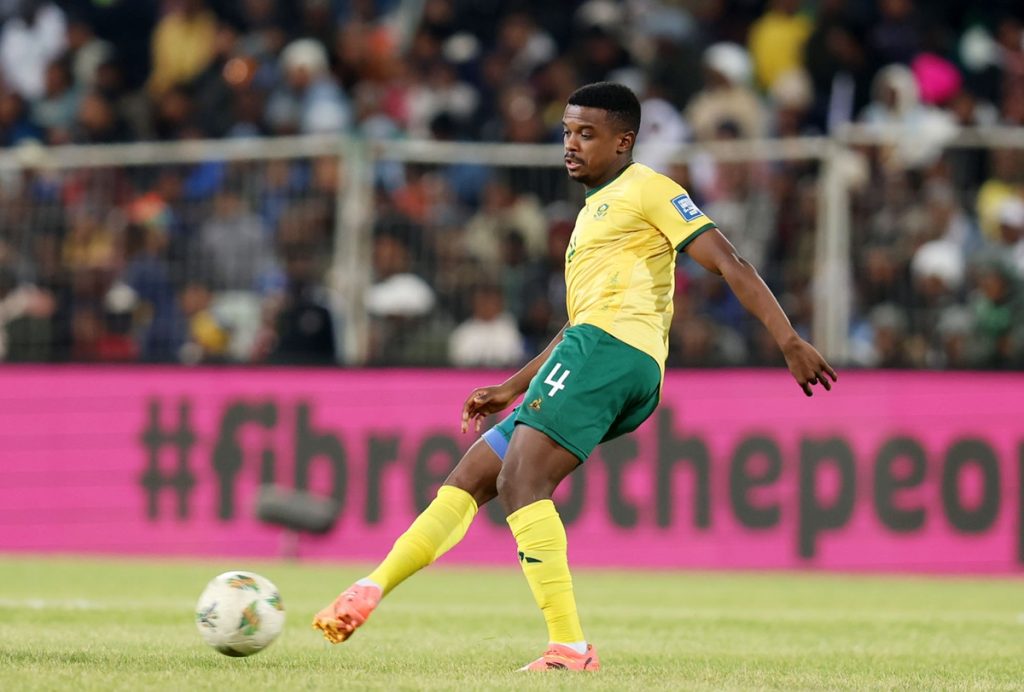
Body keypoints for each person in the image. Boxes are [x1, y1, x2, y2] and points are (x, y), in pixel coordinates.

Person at [312, 82, 837, 671]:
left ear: (624, 142)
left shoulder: (650, 189)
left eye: (587, 134)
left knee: (520, 483)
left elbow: (729, 262)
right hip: (596, 350)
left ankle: (569, 647)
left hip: (613, 351)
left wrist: (787, 338)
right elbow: (578, 324)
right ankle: (371, 588)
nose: (571, 144)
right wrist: (512, 387)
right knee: (473, 476)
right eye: (567, 131)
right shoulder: (593, 213)